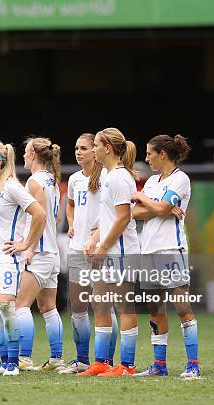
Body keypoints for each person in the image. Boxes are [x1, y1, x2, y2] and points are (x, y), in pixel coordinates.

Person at [0, 140, 46, 376]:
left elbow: (39, 213)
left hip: (6, 259)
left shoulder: (13, 186)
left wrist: (25, 244)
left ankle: (14, 362)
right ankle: (4, 361)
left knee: (7, 307)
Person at [132, 134, 200, 379]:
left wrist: (144, 199)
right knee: (155, 309)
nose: (147, 157)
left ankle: (193, 364)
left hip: (172, 250)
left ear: (163, 154)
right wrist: (158, 206)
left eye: (150, 153)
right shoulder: (151, 181)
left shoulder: (180, 179)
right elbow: (137, 213)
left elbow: (154, 207)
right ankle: (159, 365)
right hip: (148, 250)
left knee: (182, 308)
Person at [78, 128, 139, 377]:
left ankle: (127, 365)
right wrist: (94, 239)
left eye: (96, 146)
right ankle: (102, 362)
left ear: (108, 148)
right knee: (99, 302)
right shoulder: (106, 174)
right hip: (107, 250)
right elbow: (109, 217)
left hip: (122, 252)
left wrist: (103, 246)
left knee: (125, 308)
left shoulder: (120, 178)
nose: (93, 150)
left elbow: (124, 217)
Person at [58, 133, 112, 375]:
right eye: (76, 148)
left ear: (95, 151)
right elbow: (70, 205)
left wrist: (98, 235)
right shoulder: (74, 180)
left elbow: (116, 214)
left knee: (102, 306)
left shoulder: (107, 178)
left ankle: (107, 361)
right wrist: (71, 223)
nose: (78, 152)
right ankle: (81, 359)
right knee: (77, 306)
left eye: (84, 148)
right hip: (77, 249)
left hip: (101, 250)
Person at [16, 137, 65, 372]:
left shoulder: (34, 181)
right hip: (53, 252)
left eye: (25, 151)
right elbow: (53, 218)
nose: (23, 155)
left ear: (34, 154)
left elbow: (40, 216)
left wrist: (29, 247)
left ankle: (24, 358)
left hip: (41, 252)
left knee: (21, 305)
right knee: (48, 307)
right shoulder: (52, 180)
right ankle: (56, 358)